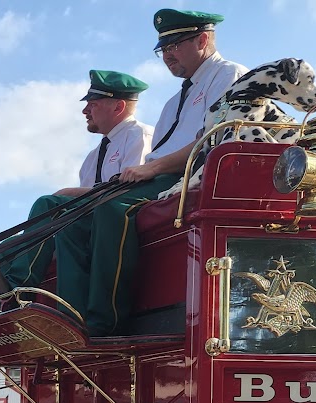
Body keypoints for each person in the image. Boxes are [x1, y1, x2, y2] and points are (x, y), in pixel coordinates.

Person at [44, 9, 246, 337]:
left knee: (113, 209)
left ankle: (103, 322)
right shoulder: (171, 103)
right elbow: (159, 154)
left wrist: (150, 168)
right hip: (162, 175)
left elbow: (211, 142)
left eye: (175, 45)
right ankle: (70, 317)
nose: (167, 55)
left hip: (192, 175)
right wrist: (149, 168)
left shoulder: (229, 74)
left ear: (203, 40)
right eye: (163, 49)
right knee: (72, 220)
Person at [0, 70, 153, 293]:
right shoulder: (91, 157)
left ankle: (20, 285)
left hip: (115, 225)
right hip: (86, 223)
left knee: (47, 204)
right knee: (7, 248)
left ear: (118, 107)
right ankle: (10, 303)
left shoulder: (141, 135)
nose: (85, 110)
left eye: (93, 103)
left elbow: (128, 190)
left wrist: (69, 193)